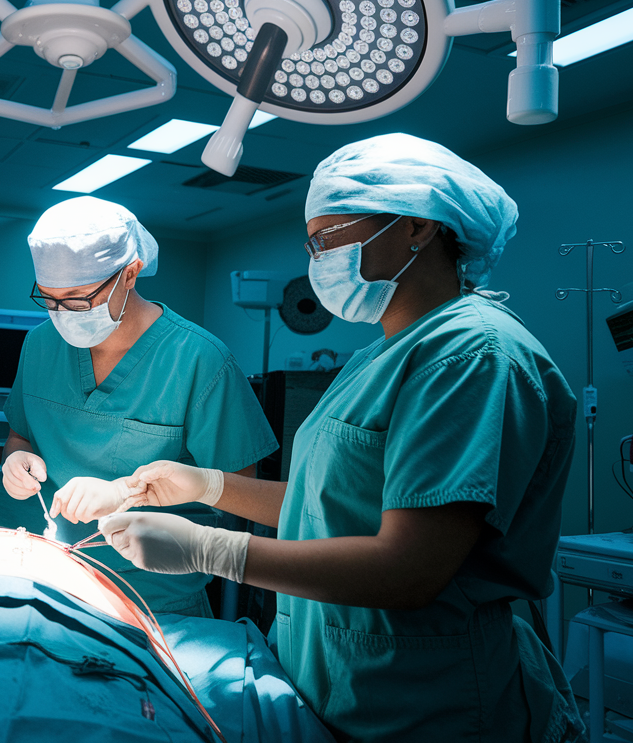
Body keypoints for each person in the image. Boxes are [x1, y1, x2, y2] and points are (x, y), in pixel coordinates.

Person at [99, 134, 584, 741]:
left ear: (417, 228)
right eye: (313, 243)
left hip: (425, 699)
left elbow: (410, 567)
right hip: (336, 678)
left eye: (329, 238)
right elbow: (330, 506)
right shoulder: (374, 358)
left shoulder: (471, 356)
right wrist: (207, 485)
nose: (316, 260)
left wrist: (209, 550)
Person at [0, 196, 277, 617]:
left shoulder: (199, 359)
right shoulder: (40, 344)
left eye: (77, 300)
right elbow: (21, 433)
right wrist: (16, 456)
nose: (62, 315)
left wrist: (127, 493)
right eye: (50, 299)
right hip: (53, 581)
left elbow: (241, 495)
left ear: (129, 274)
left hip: (159, 602)